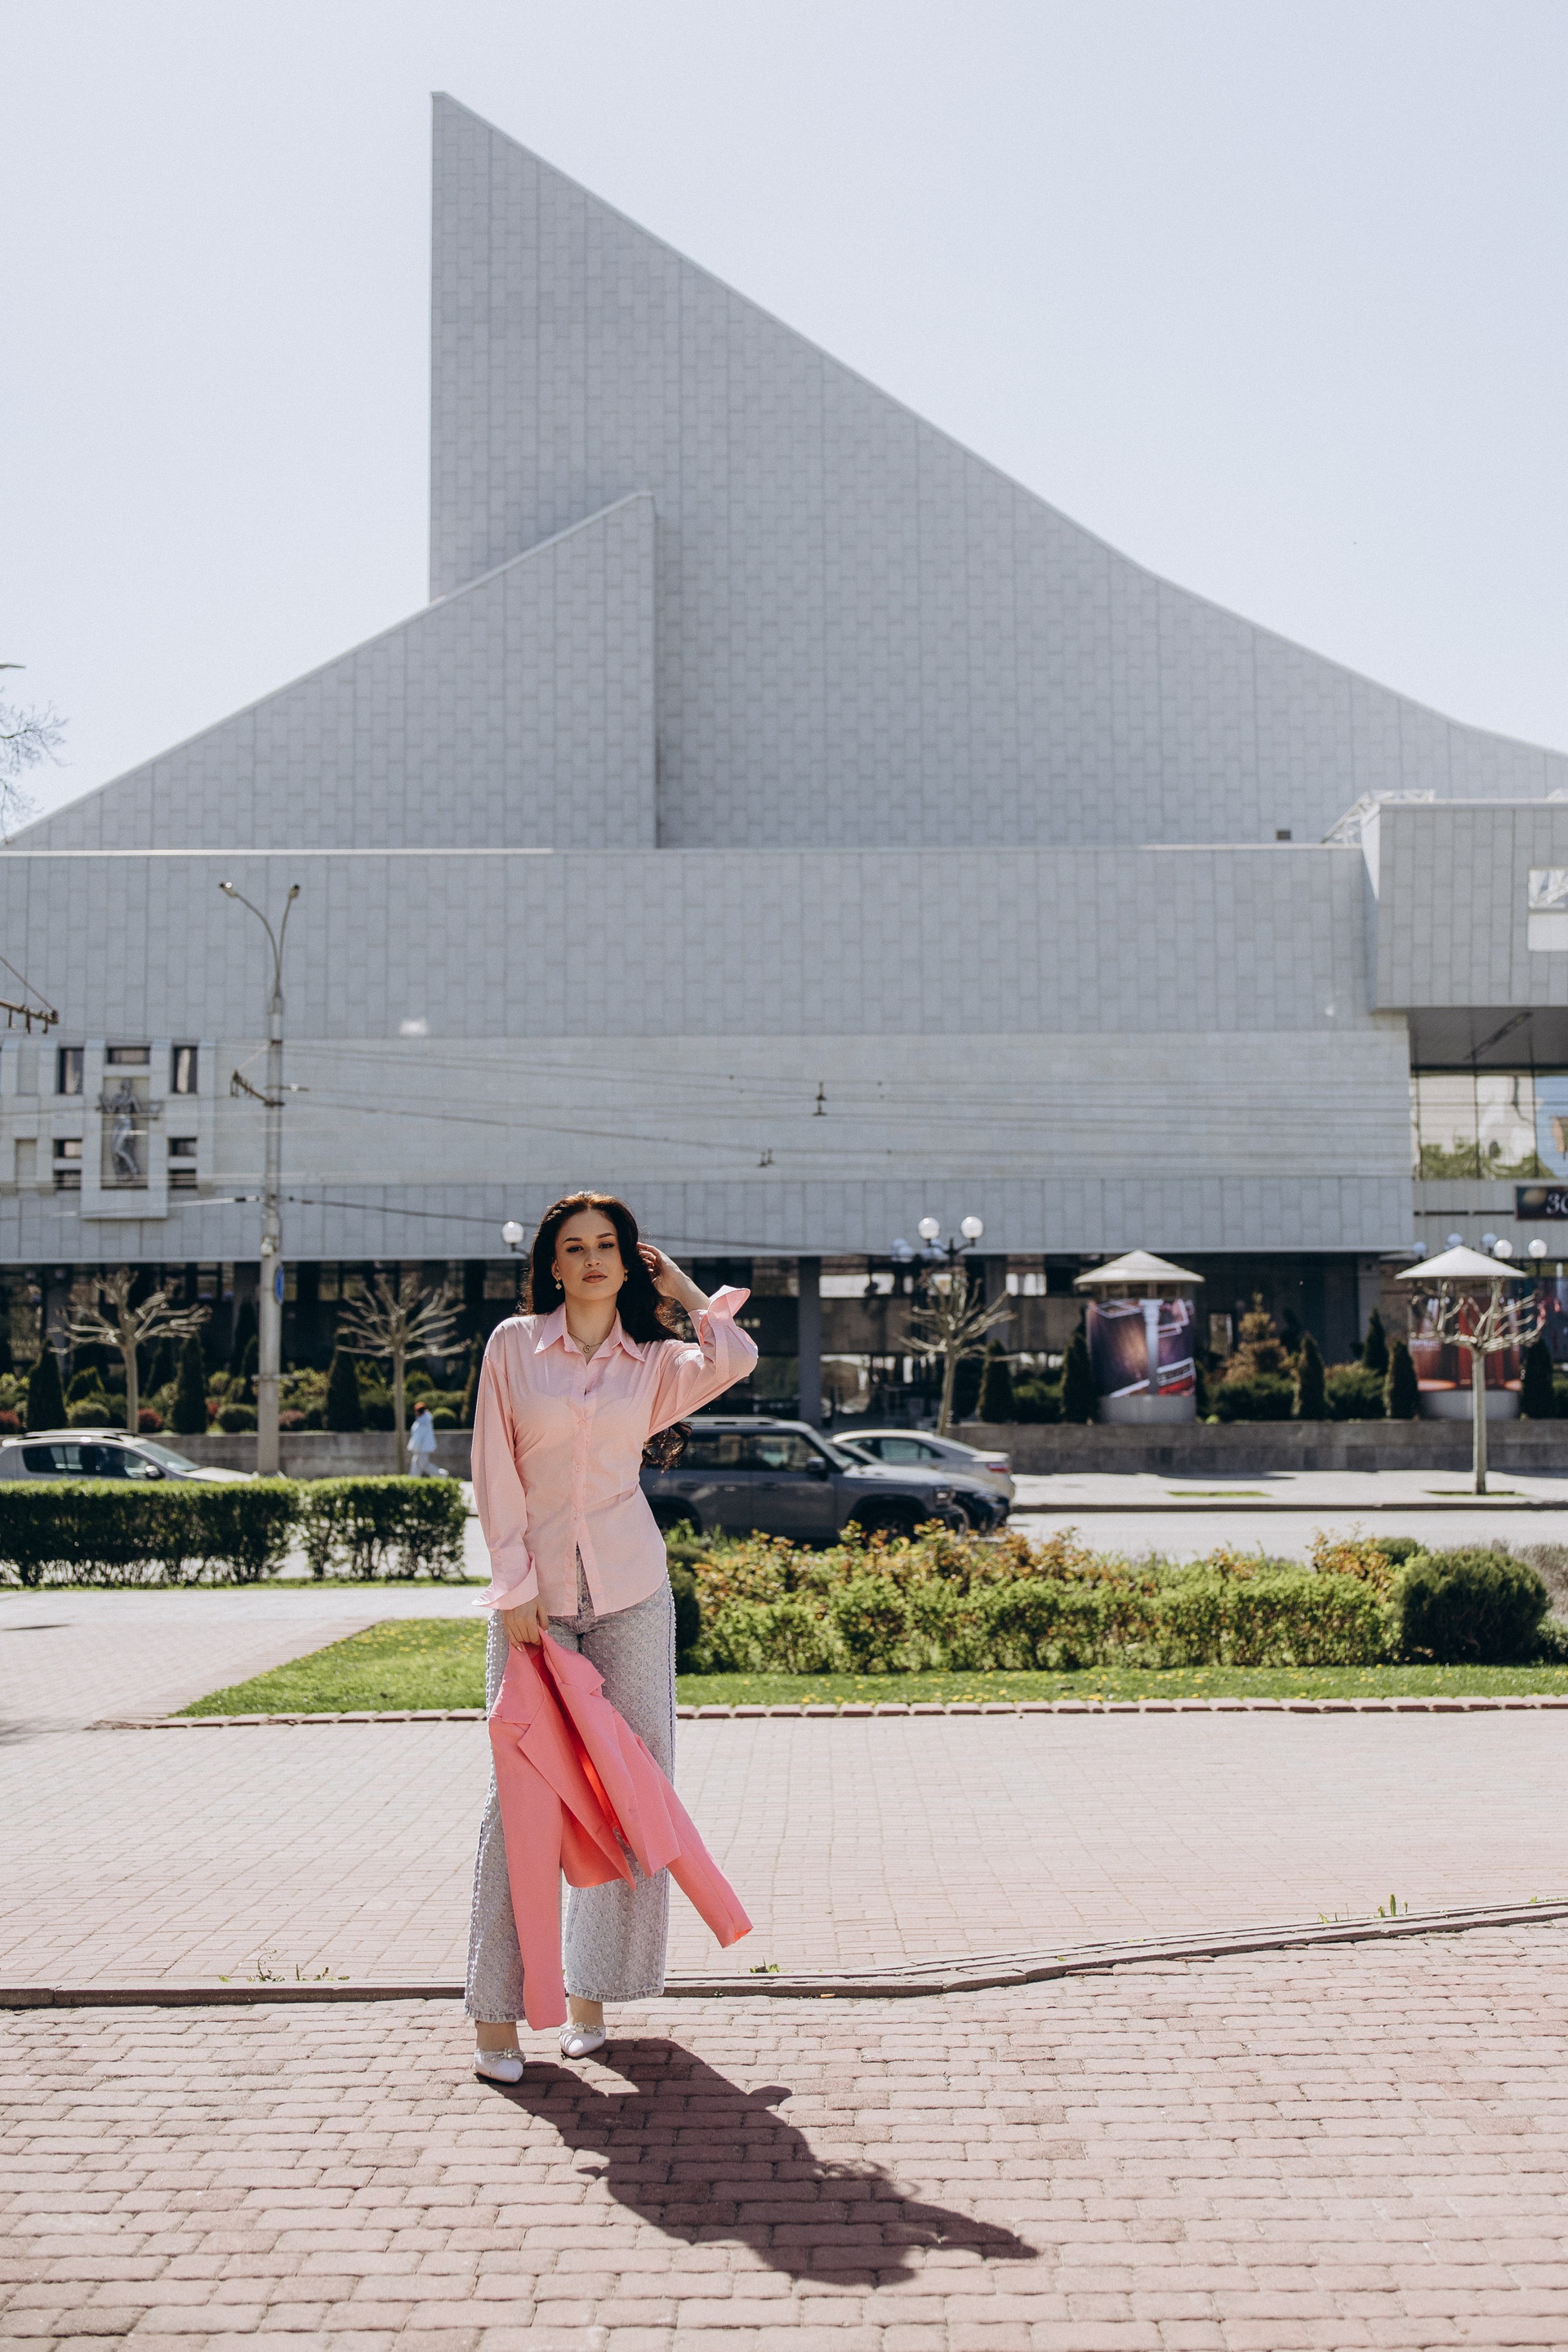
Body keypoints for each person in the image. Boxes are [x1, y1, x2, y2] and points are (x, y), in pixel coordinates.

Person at [464, 1191, 758, 2082]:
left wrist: (684, 1289)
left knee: (632, 1792)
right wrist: (515, 1587)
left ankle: (591, 1998)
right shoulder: (513, 1347)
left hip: (631, 1593)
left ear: (630, 1262)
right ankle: (497, 2018)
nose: (592, 1259)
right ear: (552, 1265)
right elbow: (493, 1469)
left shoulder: (657, 1364)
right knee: (521, 1802)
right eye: (574, 1247)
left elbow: (736, 1356)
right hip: (536, 1607)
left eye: (608, 1246)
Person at [408, 1401, 439, 1473]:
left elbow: (418, 1436)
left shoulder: (423, 1422)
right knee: (416, 1463)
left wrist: (413, 1446)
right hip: (422, 1447)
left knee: (423, 1465)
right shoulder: (423, 1420)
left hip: (422, 1448)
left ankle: (441, 1474)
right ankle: (413, 1478)